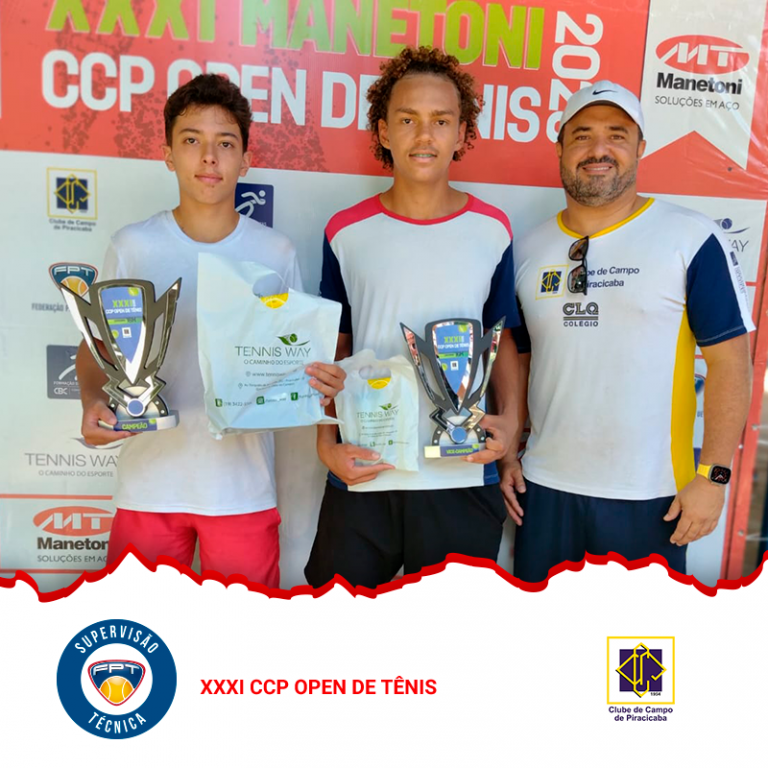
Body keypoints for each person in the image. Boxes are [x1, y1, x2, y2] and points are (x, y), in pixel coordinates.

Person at [76, 74, 345, 587]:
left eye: (225, 144)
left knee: (241, 636)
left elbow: (297, 362)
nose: (208, 157)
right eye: (191, 140)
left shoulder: (275, 253)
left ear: (246, 160)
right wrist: (92, 401)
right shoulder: (132, 247)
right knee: (142, 631)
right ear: (167, 154)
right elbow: (95, 349)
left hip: (241, 490)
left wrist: (320, 382)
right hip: (149, 485)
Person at [502, 80, 754, 582]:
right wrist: (509, 453)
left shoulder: (690, 237)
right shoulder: (526, 249)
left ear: (640, 148)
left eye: (617, 135)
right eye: (582, 135)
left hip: (652, 496)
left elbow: (731, 363)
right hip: (544, 490)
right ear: (560, 148)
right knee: (537, 630)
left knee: (637, 636)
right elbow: (520, 361)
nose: (599, 149)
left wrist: (714, 476)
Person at [304, 46, 521, 590]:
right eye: (407, 120)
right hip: (366, 467)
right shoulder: (344, 231)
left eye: (441, 121)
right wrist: (325, 445)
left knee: (448, 637)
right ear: (382, 131)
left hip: (461, 473)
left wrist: (512, 426)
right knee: (335, 628)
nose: (424, 135)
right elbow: (334, 350)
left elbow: (504, 342)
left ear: (462, 133)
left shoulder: (493, 229)